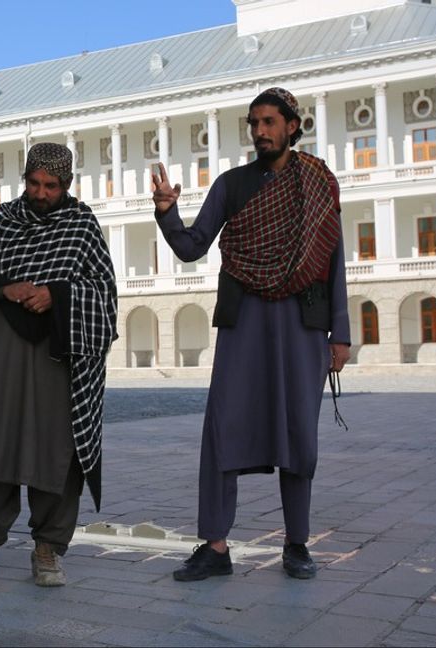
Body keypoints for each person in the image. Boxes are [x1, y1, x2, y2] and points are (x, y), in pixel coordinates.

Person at [150, 87, 351, 582]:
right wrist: (166, 212)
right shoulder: (232, 184)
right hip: (244, 323)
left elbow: (333, 264)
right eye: (254, 123)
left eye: (269, 122)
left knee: (297, 433)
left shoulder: (317, 183)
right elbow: (194, 246)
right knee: (223, 429)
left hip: (302, 324)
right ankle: (215, 545)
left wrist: (339, 333)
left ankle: (296, 544)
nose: (260, 131)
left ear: (292, 127)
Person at [0, 142, 118, 589]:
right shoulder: (4, 219)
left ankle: (48, 550)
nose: (41, 193)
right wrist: (7, 288)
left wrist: (57, 295)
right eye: (34, 183)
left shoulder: (82, 225)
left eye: (51, 186)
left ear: (67, 186)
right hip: (6, 343)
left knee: (56, 448)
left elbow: (104, 290)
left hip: (61, 352)